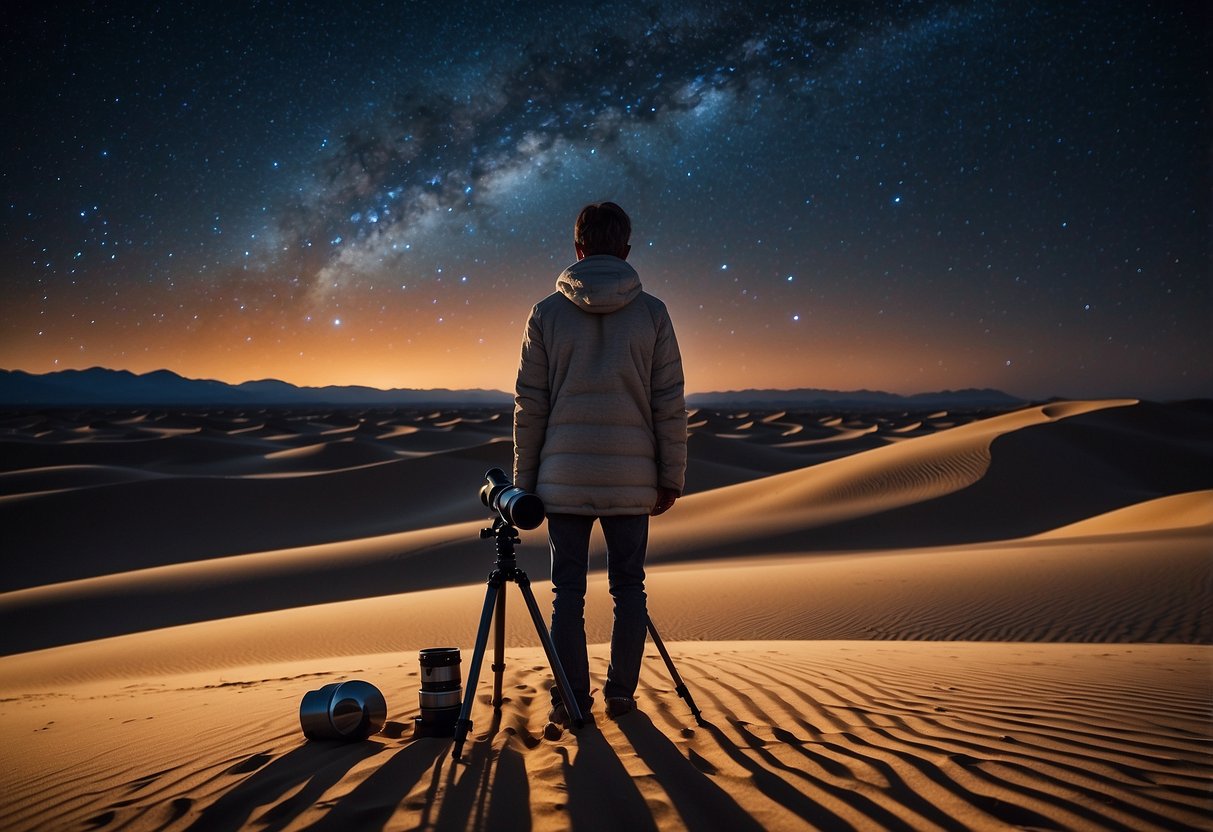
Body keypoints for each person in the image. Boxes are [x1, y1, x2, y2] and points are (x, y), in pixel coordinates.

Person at [513, 201, 687, 727]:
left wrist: (524, 486)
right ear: (627, 250)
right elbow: (669, 401)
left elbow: (530, 404)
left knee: (567, 590)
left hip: (561, 480)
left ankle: (571, 697)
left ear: (578, 248)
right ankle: (621, 695)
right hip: (632, 478)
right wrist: (669, 476)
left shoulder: (546, 313)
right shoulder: (652, 312)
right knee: (629, 588)